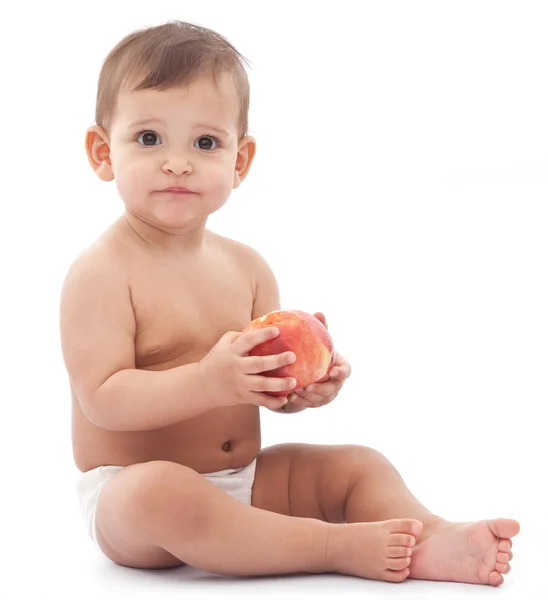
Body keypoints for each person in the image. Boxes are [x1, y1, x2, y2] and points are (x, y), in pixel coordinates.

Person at [60, 20, 519, 585]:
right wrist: (207, 382)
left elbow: (259, 389)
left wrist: (298, 388)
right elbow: (104, 400)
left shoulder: (249, 268)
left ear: (240, 161)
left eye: (205, 142)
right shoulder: (102, 272)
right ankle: (332, 546)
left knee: (356, 465)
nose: (176, 162)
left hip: (245, 477)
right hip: (130, 497)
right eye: (149, 138)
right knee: (164, 491)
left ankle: (431, 536)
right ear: (103, 152)